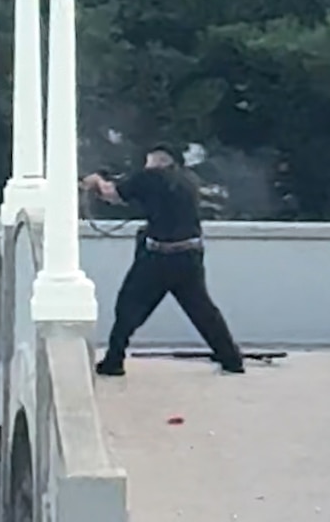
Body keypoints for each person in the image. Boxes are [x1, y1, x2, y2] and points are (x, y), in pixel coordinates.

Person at [81, 143, 244, 376]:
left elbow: (112, 194)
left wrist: (96, 181)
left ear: (156, 160)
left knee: (128, 306)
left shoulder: (149, 177)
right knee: (203, 311)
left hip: (159, 257)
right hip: (190, 254)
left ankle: (114, 360)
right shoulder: (188, 180)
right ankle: (231, 359)